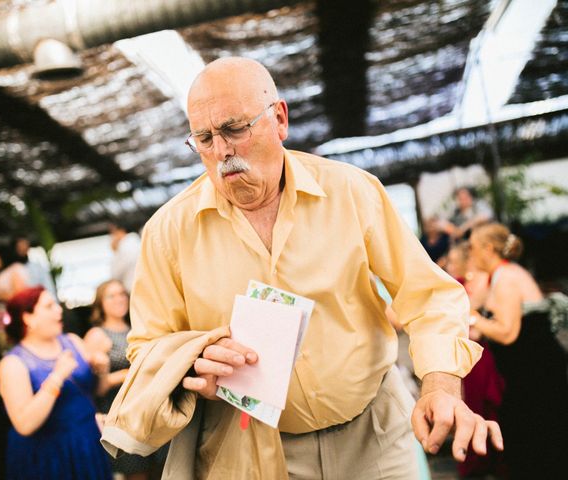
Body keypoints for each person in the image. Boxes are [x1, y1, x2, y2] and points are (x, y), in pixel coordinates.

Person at [101, 57, 502, 479]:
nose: (222, 151)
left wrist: (440, 387)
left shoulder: (351, 191)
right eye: (203, 138)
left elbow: (430, 297)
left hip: (375, 435)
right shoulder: (168, 232)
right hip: (253, 449)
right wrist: (192, 363)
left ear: (279, 119)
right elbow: (147, 349)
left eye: (235, 129)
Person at [468, 223, 568, 479]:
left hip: (536, 373)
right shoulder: (498, 276)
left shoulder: (508, 278)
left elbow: (507, 332)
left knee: (542, 437)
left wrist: (472, 318)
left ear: (488, 249)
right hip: (523, 374)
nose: (471, 254)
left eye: (474, 248)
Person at [0, 286, 112, 480]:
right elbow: (25, 424)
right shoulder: (13, 364)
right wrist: (57, 377)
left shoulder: (72, 341)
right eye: (49, 306)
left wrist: (102, 369)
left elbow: (98, 391)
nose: (59, 310)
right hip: (49, 455)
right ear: (28, 318)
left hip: (87, 443)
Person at [85, 280, 162, 480]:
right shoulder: (97, 335)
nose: (119, 299)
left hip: (150, 411)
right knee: (137, 473)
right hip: (122, 416)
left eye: (122, 294)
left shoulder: (138, 328)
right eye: (111, 295)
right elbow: (95, 388)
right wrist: (131, 374)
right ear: (100, 303)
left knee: (161, 470)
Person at [444, 242, 505, 478]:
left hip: (472, 355)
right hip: (473, 353)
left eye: (450, 261)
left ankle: (477, 462)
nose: (447, 265)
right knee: (477, 407)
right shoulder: (464, 284)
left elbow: (471, 326)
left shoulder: (457, 286)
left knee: (475, 406)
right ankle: (485, 459)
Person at [109, 222, 141, 293]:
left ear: (120, 231)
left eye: (112, 234)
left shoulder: (125, 246)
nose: (111, 237)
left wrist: (115, 251)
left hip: (135, 291)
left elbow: (115, 274)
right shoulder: (138, 242)